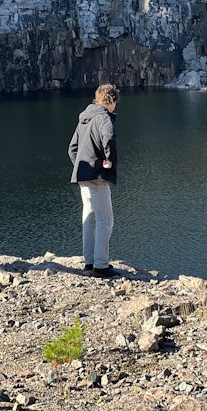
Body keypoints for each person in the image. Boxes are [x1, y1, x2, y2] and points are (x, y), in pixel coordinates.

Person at [68, 83, 120, 278]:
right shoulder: (103, 117)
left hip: (83, 177)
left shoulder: (85, 117)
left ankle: (89, 262)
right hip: (98, 177)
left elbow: (72, 149)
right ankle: (101, 266)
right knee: (105, 220)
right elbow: (109, 138)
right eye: (115, 102)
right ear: (111, 100)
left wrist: (81, 167)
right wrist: (109, 162)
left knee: (89, 219)